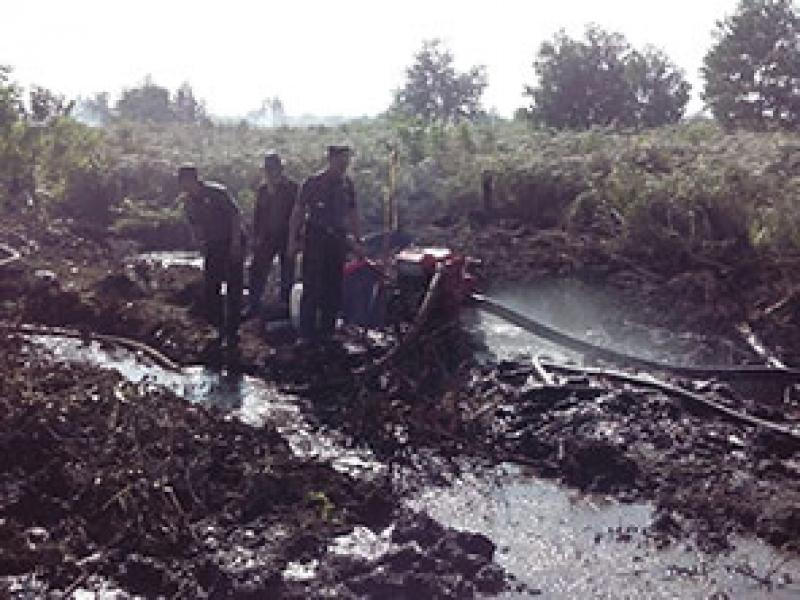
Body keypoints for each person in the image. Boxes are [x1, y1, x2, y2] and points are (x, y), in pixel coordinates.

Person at [288, 145, 363, 342]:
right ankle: (306, 334)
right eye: (340, 161)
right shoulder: (313, 183)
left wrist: (358, 240)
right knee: (312, 286)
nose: (344, 165)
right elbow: (298, 212)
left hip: (337, 240)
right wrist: (292, 240)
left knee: (334, 286)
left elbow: (353, 213)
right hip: (316, 238)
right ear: (330, 160)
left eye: (346, 161)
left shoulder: (347, 184)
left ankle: (327, 332)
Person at [178, 165, 245, 353]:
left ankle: (233, 329)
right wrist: (200, 244)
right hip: (213, 245)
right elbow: (194, 226)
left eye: (187, 182)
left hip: (231, 240)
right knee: (211, 286)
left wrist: (236, 243)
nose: (185, 186)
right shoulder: (189, 203)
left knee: (234, 286)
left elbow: (235, 216)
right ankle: (217, 327)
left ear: (194, 180)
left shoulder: (217, 192)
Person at [248, 151, 298, 315]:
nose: (270, 173)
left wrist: (295, 238)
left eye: (273, 169)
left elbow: (298, 214)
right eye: (268, 169)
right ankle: (254, 304)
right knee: (257, 269)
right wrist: (255, 237)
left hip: (286, 235)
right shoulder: (263, 189)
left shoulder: (292, 188)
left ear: (280, 169)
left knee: (287, 271)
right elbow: (258, 214)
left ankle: (286, 305)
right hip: (267, 236)